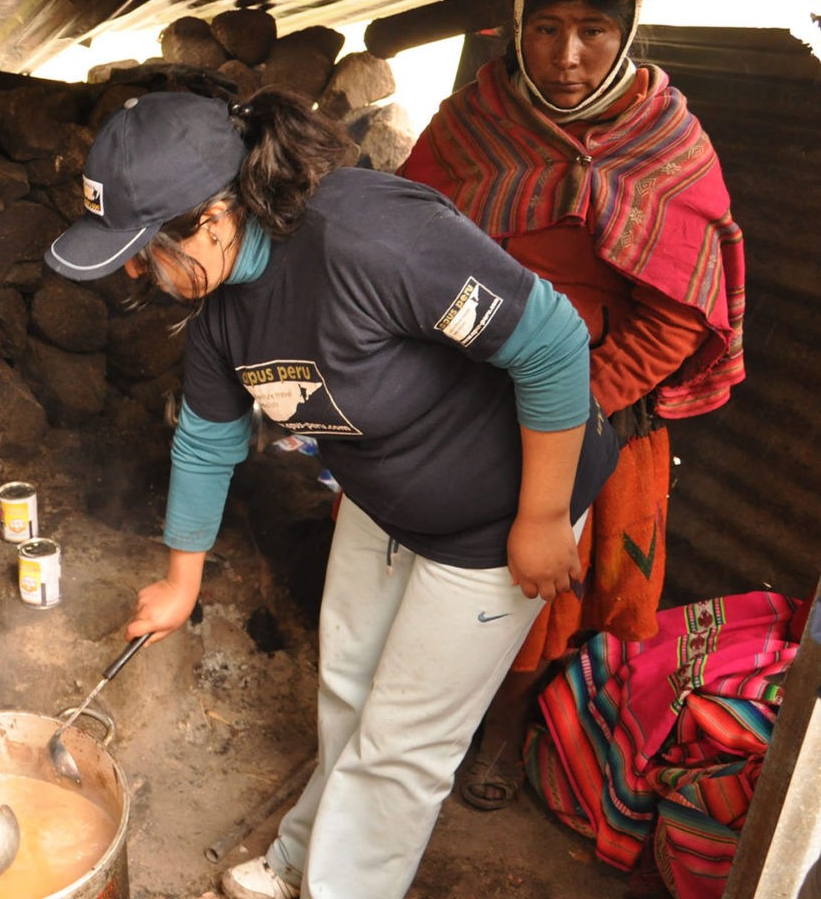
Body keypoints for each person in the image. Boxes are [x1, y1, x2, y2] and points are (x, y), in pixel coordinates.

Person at [43, 88, 620, 899]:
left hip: (503, 506)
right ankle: (300, 860)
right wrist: (182, 583)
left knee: (404, 746)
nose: (135, 271)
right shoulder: (220, 312)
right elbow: (208, 440)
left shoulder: (369, 236)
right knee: (347, 692)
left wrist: (542, 515)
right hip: (385, 493)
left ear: (211, 217)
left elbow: (553, 341)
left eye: (142, 249)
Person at [398, 0, 746, 811]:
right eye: (546, 30)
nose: (566, 57)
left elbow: (679, 313)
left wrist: (568, 406)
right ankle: (411, 719)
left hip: (598, 399)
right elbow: (407, 240)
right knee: (415, 555)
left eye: (593, 31)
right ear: (517, 31)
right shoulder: (472, 121)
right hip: (465, 381)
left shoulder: (666, 141)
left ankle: (505, 725)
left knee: (545, 584)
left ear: (626, 34)